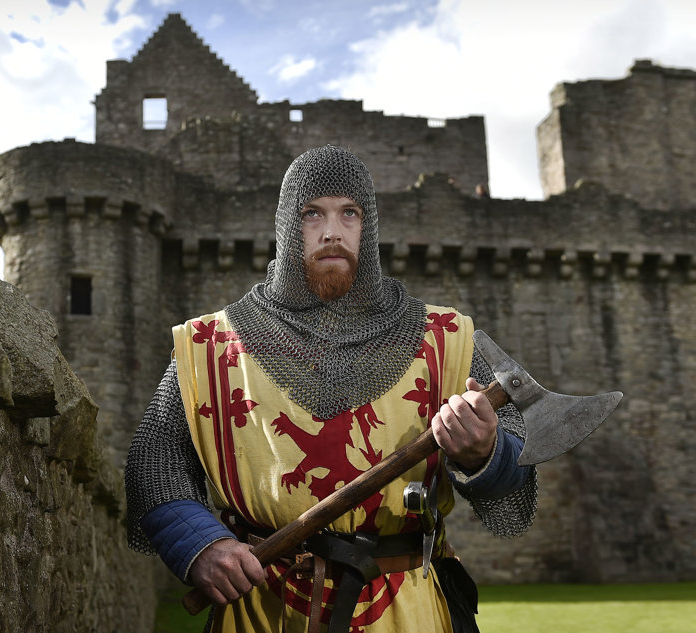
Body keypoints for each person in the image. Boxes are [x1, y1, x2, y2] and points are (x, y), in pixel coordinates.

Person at [125, 145, 537, 633]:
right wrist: (198, 544)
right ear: (287, 228)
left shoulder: (444, 339)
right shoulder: (209, 346)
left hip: (409, 608)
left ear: (369, 227)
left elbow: (516, 469)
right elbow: (155, 466)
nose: (331, 231)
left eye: (349, 213)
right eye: (312, 214)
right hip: (264, 609)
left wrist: (485, 452)